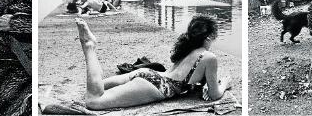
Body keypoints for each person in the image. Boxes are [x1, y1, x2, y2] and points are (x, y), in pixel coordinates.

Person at [74, 14, 232, 109]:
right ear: (209, 37)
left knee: (97, 86)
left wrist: (204, 84)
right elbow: (214, 94)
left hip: (150, 74)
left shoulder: (188, 48)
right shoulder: (209, 57)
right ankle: (89, 46)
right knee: (94, 101)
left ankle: (90, 47)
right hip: (159, 86)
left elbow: (196, 78)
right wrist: (224, 83)